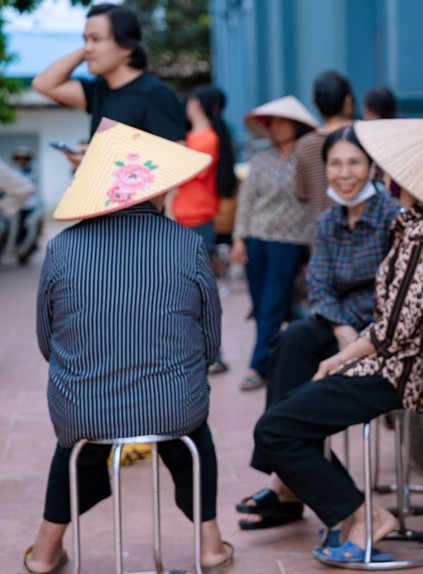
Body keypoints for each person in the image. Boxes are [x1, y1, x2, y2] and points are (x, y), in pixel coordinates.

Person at [251, 118, 423, 563]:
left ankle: (364, 514)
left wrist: (343, 356)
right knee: (287, 393)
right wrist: (342, 354)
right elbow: (354, 304)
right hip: (386, 363)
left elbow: (391, 331)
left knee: (276, 427)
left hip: (394, 374)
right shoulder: (421, 230)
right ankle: (345, 509)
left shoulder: (418, 239)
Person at [23, 119, 233, 573]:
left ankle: (44, 551)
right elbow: (210, 342)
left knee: (78, 435)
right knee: (189, 427)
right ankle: (211, 544)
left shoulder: (61, 249)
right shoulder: (188, 244)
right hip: (176, 405)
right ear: (156, 189)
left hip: (84, 409)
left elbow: (47, 341)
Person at [236, 126, 402, 530]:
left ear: (372, 167)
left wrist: (354, 328)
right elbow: (319, 286)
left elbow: (391, 292)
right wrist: (341, 324)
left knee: (294, 360)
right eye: (335, 163)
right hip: (339, 326)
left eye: (354, 163)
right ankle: (287, 478)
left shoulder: (391, 217)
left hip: (381, 335)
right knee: (289, 341)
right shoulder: (327, 220)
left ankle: (287, 482)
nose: (344, 173)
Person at [230, 95, 319, 391]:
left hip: (290, 241)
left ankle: (258, 366)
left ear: (295, 124)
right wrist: (239, 239)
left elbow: (312, 200)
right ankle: (279, 358)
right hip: (257, 238)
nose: (278, 127)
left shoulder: (306, 159)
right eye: (274, 122)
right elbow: (246, 201)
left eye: (283, 121)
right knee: (263, 305)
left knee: (271, 304)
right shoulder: (260, 159)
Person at [31, 2, 185, 165]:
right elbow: (43, 84)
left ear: (126, 46)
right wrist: (94, 161)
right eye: (85, 40)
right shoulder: (100, 89)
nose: (87, 48)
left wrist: (104, 161)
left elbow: (178, 159)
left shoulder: (154, 94)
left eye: (96, 39)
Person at [177, 84, 238, 375]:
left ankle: (215, 352)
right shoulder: (194, 138)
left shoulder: (206, 140)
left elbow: (181, 168)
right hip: (188, 221)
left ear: (197, 104)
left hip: (198, 223)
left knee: (197, 292)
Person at [294, 70, 355, 222]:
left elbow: (301, 194)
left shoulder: (304, 145)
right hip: (367, 236)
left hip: (321, 235)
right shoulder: (365, 136)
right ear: (348, 100)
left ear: (315, 104)